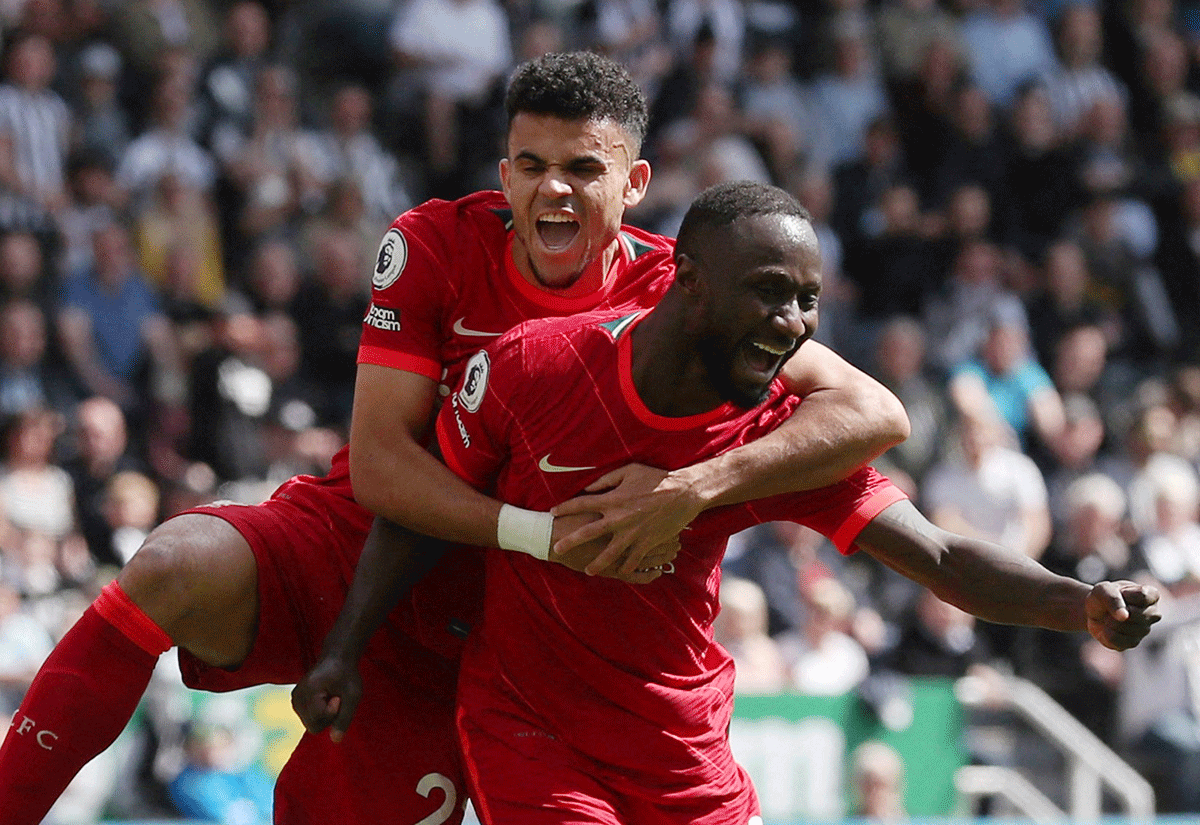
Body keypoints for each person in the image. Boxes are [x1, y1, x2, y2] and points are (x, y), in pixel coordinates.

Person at [0, 53, 908, 824]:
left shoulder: (685, 293)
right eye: (530, 163)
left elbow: (874, 413)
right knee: (172, 562)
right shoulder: (434, 243)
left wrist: (695, 489)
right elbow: (389, 469)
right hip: (371, 548)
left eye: (583, 169)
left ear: (633, 185)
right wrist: (544, 532)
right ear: (503, 171)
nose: (552, 188)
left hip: (528, 624)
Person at [297, 181, 1159, 823]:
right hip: (534, 735)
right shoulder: (536, 367)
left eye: (808, 299)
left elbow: (939, 556)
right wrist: (344, 646)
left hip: (686, 755)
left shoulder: (783, 438)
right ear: (688, 278)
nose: (793, 322)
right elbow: (420, 505)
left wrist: (1074, 602)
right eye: (770, 290)